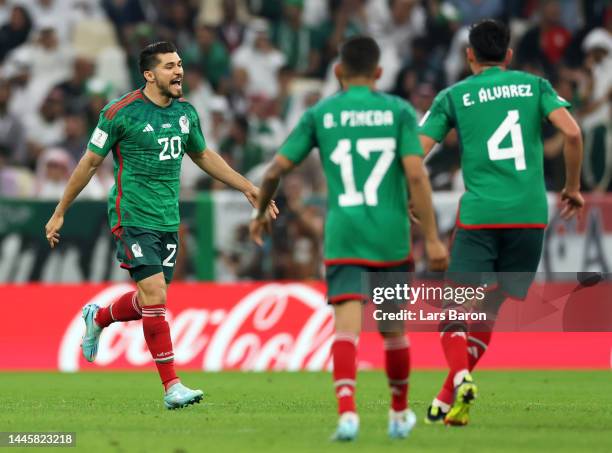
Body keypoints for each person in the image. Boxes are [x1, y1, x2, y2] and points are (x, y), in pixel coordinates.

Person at [44, 42, 277, 410]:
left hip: (167, 218)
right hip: (132, 215)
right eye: (169, 66)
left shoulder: (185, 113)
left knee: (148, 301)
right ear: (149, 75)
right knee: (156, 297)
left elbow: (201, 154)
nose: (179, 71)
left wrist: (248, 186)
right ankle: (172, 387)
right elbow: (89, 163)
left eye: (180, 64)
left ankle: (99, 316)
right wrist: (60, 210)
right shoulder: (120, 113)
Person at [250, 36, 448, 441]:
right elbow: (415, 174)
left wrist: (260, 213)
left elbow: (274, 171)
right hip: (391, 237)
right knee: (394, 333)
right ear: (378, 73)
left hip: (344, 237)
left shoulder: (321, 113)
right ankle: (397, 415)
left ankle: (347, 415)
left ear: (338, 72)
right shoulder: (398, 111)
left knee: (345, 330)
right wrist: (431, 237)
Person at [418, 19, 584, 426]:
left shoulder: (453, 96)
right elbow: (574, 134)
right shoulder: (535, 86)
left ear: (469, 55)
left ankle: (458, 377)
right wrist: (573, 188)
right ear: (508, 55)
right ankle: (447, 395)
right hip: (529, 216)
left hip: (481, 217)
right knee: (490, 306)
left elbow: (415, 152)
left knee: (453, 315)